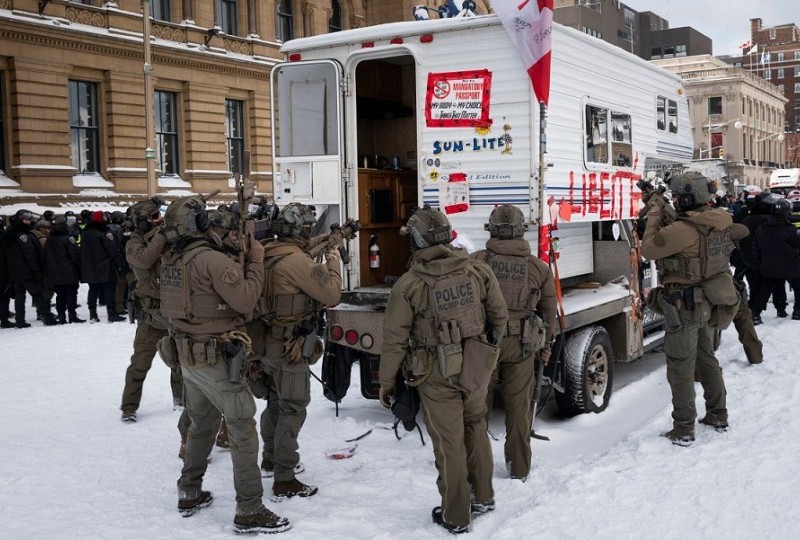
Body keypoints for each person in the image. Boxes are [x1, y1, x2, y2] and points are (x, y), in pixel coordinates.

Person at [159, 196, 289, 533]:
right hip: (216, 359)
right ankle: (249, 509)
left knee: (201, 424)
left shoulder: (173, 259)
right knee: (243, 428)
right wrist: (256, 261)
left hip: (188, 358)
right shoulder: (211, 261)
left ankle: (189, 490)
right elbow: (246, 298)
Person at [379, 206, 508, 534]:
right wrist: (486, 351)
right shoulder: (477, 271)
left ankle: (456, 515)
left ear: (418, 241)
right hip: (477, 366)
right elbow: (499, 317)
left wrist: (386, 383)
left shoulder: (408, 285)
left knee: (449, 442)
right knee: (475, 426)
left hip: (435, 373)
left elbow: (394, 341)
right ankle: (483, 496)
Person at [642, 172, 748, 446]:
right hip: (710, 302)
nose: (675, 200)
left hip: (684, 305)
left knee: (680, 367)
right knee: (707, 359)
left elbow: (649, 249)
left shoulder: (682, 229)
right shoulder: (720, 220)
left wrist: (654, 214)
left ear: (689, 198)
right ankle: (718, 414)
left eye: (678, 197)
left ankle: (684, 428)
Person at [252, 202, 341, 498]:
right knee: (292, 407)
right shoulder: (296, 261)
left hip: (267, 342)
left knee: (275, 403)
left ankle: (269, 457)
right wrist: (333, 262)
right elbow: (331, 294)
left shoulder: (266, 250)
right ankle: (285, 477)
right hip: (289, 346)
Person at [470, 204, 556, 481]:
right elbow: (548, 312)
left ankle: (476, 468)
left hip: (484, 345)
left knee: (477, 408)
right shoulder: (539, 268)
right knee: (519, 410)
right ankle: (519, 468)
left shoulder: (475, 263)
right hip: (522, 346)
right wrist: (546, 346)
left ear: (492, 229)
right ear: (521, 231)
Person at [120, 197, 184, 423]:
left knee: (180, 362)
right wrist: (162, 235)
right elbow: (144, 261)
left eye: (160, 215)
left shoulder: (164, 237)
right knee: (140, 364)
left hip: (173, 310)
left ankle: (181, 400)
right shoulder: (134, 243)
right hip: (151, 314)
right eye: (155, 217)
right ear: (143, 222)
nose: (159, 220)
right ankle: (128, 407)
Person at [4, 209, 58, 327]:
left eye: (29, 219)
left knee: (20, 296)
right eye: (25, 219)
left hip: (15, 272)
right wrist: (35, 270)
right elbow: (29, 254)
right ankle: (47, 317)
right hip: (26, 271)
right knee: (38, 294)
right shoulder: (22, 234)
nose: (28, 221)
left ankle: (20, 320)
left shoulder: (11, 233)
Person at [752, 198, 800, 320]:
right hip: (791, 266)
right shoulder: (790, 229)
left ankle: (756, 314)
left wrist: (760, 262)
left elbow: (756, 246)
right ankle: (797, 311)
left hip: (768, 266)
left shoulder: (762, 228)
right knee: (798, 287)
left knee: (764, 291)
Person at [80, 211, 127, 322]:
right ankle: (111, 313)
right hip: (105, 266)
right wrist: (121, 264)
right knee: (109, 289)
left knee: (93, 290)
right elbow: (113, 250)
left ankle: (92, 314)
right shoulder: (104, 233)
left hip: (89, 267)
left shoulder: (85, 233)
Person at [43, 216, 85, 324]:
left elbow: (45, 256)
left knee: (60, 295)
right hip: (69, 271)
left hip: (55, 272)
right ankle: (72, 315)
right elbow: (75, 255)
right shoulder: (69, 238)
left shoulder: (49, 240)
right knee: (71, 293)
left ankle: (61, 316)